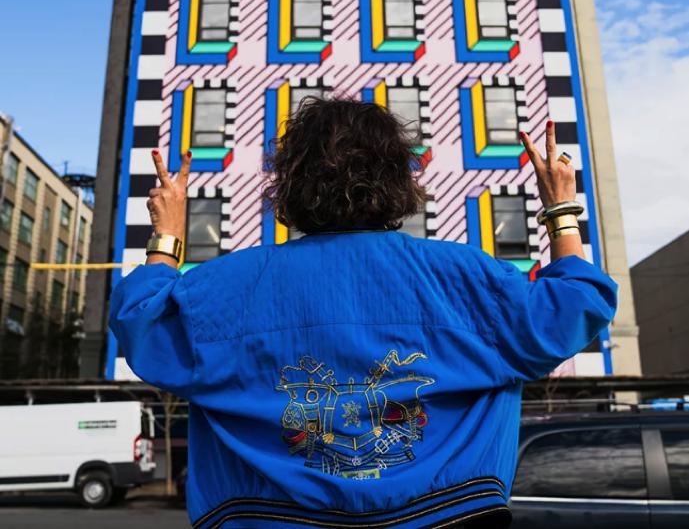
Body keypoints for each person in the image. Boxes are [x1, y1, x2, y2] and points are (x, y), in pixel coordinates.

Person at [109, 98, 617, 529]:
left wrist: (167, 236)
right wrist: (560, 210)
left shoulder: (228, 287)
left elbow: (141, 324)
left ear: (288, 182)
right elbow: (580, 302)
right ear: (399, 176)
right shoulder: (466, 278)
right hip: (449, 516)